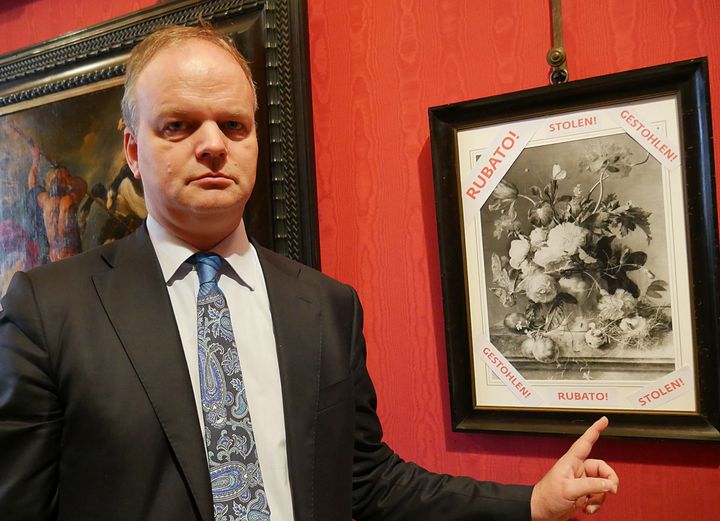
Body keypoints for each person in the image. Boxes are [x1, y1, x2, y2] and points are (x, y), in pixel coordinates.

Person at [0, 25, 618, 521]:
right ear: (133, 149)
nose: (213, 144)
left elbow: (368, 481)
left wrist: (531, 502)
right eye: (179, 125)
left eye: (234, 125)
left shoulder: (326, 306)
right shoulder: (49, 309)